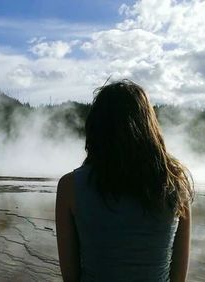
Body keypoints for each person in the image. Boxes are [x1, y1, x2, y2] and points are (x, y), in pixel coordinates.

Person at [55, 80, 193, 281]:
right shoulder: (175, 184)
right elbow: (179, 278)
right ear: (149, 126)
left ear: (95, 127)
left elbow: (70, 277)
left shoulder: (70, 187)